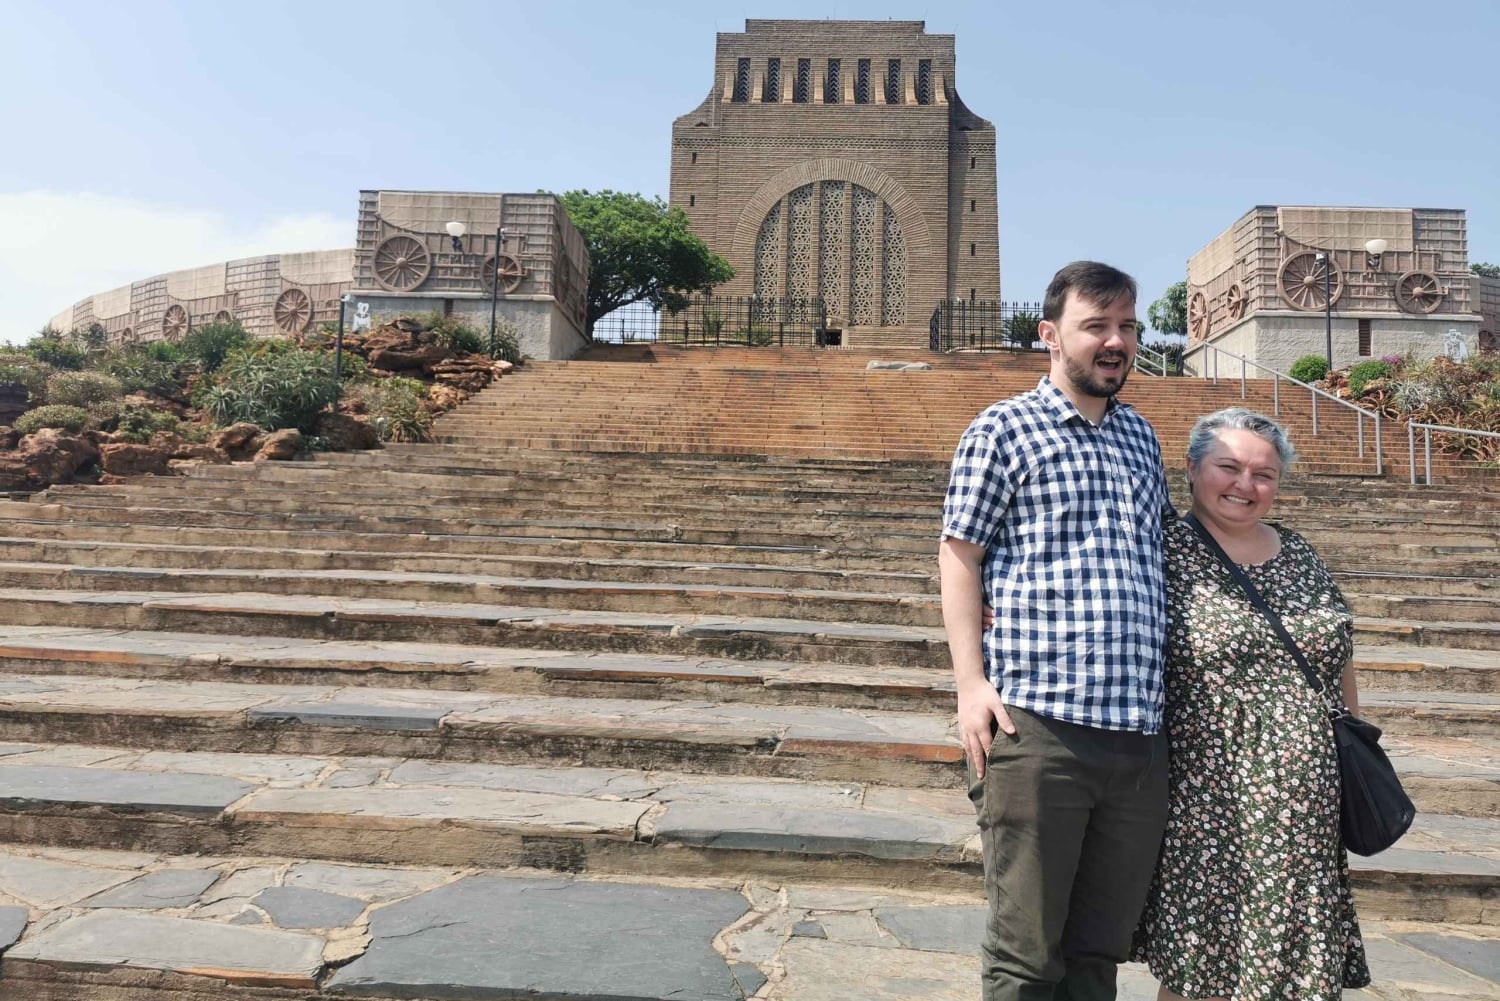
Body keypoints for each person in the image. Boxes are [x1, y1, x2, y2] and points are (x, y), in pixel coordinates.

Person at [939, 260, 1172, 1000]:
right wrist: (971, 684)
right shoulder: (1003, 429)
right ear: (1050, 335)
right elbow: (960, 553)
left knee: (1098, 952)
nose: (1115, 341)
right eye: (1096, 325)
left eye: (1127, 326)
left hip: (1136, 737)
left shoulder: (1141, 438)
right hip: (1040, 727)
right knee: (1026, 955)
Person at [1132, 407, 1370, 1001]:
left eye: (1263, 474)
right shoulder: (1161, 551)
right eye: (1229, 467)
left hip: (1306, 808)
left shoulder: (1299, 550)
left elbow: (1336, 652)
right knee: (1203, 963)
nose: (1245, 485)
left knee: (1293, 962)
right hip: (1210, 800)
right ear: (1191, 469)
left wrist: (1354, 733)